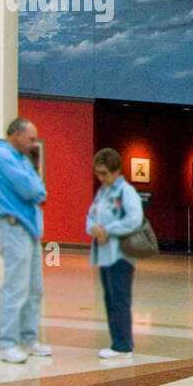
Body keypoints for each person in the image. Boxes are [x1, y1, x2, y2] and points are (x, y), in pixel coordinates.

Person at [0, 117, 49, 363]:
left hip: (30, 230)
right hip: (13, 228)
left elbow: (39, 187)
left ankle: (27, 338)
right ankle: (4, 344)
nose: (33, 143)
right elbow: (32, 189)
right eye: (31, 138)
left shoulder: (21, 159)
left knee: (35, 288)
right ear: (16, 135)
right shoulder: (2, 157)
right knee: (15, 287)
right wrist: (36, 188)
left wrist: (37, 188)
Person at [86, 147, 144, 360]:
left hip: (120, 255)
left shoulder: (126, 192)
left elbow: (134, 219)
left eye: (104, 174)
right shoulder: (103, 192)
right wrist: (94, 228)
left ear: (116, 171)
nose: (101, 178)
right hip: (104, 255)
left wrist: (108, 230)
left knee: (120, 299)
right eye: (98, 173)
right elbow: (91, 216)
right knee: (110, 299)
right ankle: (116, 342)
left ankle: (123, 345)